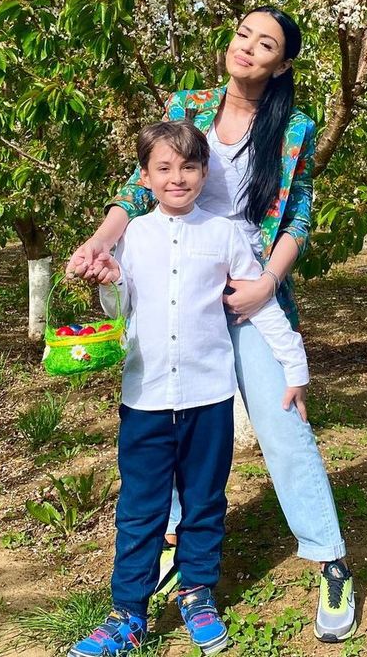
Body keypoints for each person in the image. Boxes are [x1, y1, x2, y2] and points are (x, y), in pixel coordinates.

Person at [67, 6, 356, 644]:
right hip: (181, 283)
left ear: (282, 63)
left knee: (283, 424)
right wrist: (101, 244)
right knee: (170, 413)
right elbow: (139, 187)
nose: (247, 47)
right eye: (243, 34)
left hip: (247, 286)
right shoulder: (189, 106)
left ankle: (329, 559)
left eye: (266, 44)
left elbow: (298, 215)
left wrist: (267, 285)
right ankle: (179, 556)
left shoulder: (294, 127)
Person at [69, 120, 309, 657]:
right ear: (145, 177)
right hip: (146, 400)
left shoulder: (224, 234)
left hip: (208, 399)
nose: (177, 178)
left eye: (189, 167)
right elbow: (120, 308)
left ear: (204, 173)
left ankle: (197, 593)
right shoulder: (133, 236)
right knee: (141, 508)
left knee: (204, 501)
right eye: (163, 168)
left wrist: (295, 368)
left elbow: (260, 303)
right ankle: (127, 613)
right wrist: (111, 283)